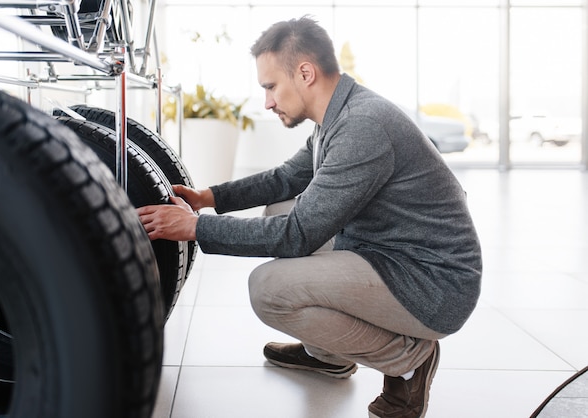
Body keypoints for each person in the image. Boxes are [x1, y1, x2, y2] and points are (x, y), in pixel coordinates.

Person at [137, 15, 482, 418]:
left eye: (270, 87)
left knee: (268, 290)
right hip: (386, 249)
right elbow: (287, 178)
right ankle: (330, 354)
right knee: (281, 206)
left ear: (305, 73)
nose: (267, 101)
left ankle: (409, 358)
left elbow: (297, 235)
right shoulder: (337, 116)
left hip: (431, 282)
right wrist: (207, 197)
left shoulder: (362, 127)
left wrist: (195, 227)